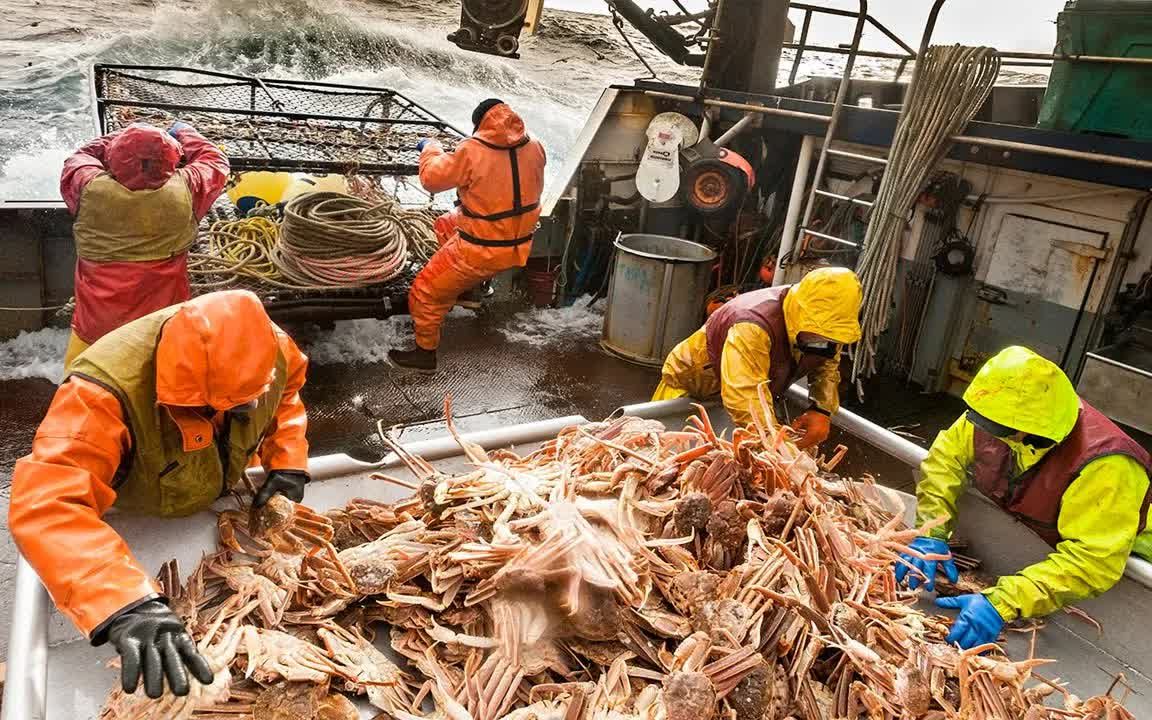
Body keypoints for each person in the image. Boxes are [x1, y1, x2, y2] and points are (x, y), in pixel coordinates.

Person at [10, 290, 311, 699]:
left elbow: (287, 395)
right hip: (133, 519)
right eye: (229, 405)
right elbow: (47, 503)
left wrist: (287, 458)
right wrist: (124, 602)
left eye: (246, 403)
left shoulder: (269, 345)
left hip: (216, 496)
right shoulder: (98, 395)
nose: (248, 407)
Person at [896, 346, 1152, 650]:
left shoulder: (1108, 465)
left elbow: (1093, 561)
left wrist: (1003, 602)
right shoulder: (994, 413)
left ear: (1031, 431)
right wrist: (932, 530)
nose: (984, 431)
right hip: (1057, 534)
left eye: (998, 430)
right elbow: (945, 461)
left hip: (1132, 548)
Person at [389, 98, 547, 371]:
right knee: (444, 223)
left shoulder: (472, 150)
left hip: (479, 250)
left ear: (481, 125)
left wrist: (430, 148)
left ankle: (424, 355)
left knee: (423, 293)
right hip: (519, 243)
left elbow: (431, 179)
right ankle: (469, 289)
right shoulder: (535, 145)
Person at [60, 121, 229, 366]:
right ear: (172, 162)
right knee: (160, 384)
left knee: (81, 383)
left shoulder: (88, 187)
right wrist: (183, 131)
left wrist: (122, 137)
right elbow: (215, 159)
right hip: (158, 330)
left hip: (94, 330)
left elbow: (80, 156)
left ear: (114, 158)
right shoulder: (188, 188)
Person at [652, 266, 863, 449]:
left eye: (830, 338)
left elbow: (827, 362)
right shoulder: (751, 326)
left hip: (744, 403)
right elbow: (744, 396)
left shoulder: (831, 328)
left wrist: (821, 409)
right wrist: (779, 449)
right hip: (691, 389)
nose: (824, 341)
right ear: (800, 312)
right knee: (658, 451)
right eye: (819, 335)